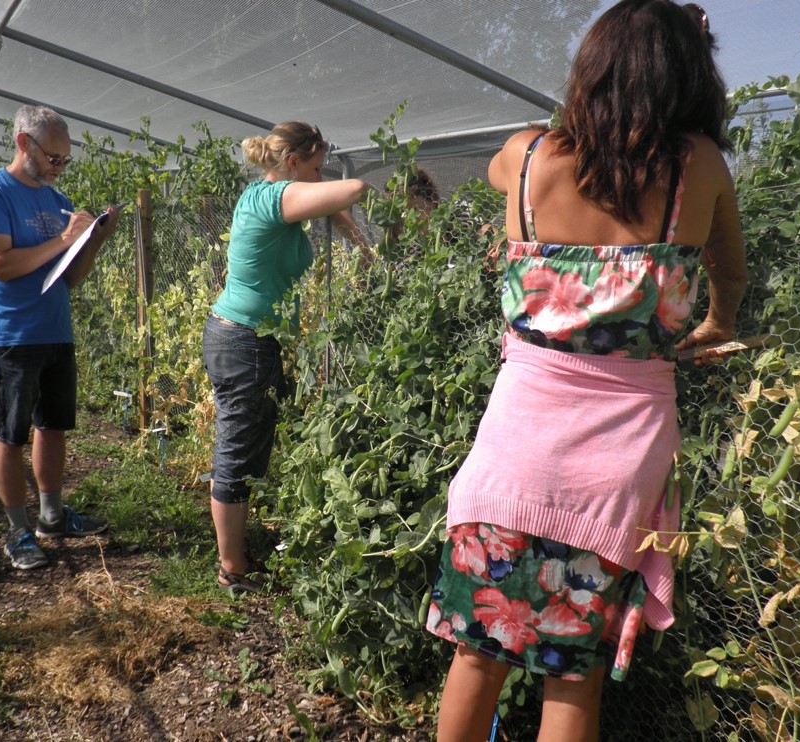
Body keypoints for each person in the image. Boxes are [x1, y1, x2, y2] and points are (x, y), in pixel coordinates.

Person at [425, 2, 748, 740]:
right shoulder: (697, 166)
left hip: (511, 459)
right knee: (573, 679)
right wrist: (717, 324)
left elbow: (497, 172)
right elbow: (729, 271)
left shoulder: (528, 156)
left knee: (477, 655)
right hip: (615, 475)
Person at [202, 121, 373, 593]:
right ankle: (231, 568)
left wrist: (359, 243)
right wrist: (360, 197)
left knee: (243, 446)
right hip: (245, 342)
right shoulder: (274, 199)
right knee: (236, 453)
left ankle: (235, 553)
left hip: (238, 336)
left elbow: (331, 206)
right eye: (317, 169)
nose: (321, 178)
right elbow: (353, 189)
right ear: (293, 163)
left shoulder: (264, 196)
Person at [0, 105, 120, 570]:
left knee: (52, 428)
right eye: (53, 158)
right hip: (12, 335)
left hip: (55, 330)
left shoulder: (56, 201)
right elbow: (1, 265)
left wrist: (92, 240)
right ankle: (17, 530)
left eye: (65, 160)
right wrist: (64, 239)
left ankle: (52, 516)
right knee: (10, 435)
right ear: (23, 143)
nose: (59, 167)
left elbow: (69, 279)